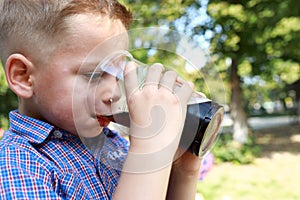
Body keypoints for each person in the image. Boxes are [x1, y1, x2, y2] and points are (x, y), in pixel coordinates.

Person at [0, 0, 201, 199]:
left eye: (117, 75)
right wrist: (149, 149)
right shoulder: (17, 165)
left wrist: (183, 172)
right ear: (23, 76)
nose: (114, 93)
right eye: (94, 75)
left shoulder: (114, 146)